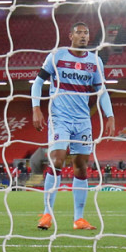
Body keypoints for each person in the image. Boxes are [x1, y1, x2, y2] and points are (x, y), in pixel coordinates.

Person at [31, 21, 115, 231]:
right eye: (79, 33)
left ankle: (79, 219)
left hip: (83, 120)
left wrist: (110, 115)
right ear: (70, 35)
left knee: (81, 166)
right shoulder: (57, 56)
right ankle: (47, 214)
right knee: (57, 159)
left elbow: (101, 91)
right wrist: (36, 108)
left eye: (86, 33)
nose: (83, 36)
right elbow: (38, 82)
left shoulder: (95, 61)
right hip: (59, 116)